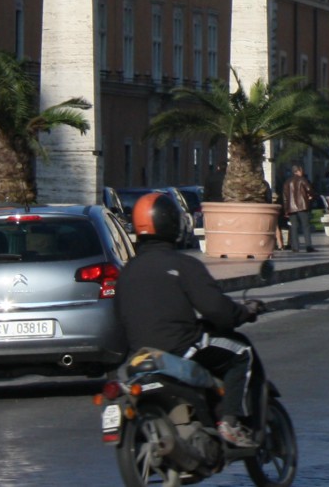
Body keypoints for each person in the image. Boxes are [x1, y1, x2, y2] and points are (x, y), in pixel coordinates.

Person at [116, 192, 265, 449]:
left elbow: (116, 320)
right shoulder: (184, 265)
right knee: (242, 352)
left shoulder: (126, 272)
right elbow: (216, 310)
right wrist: (242, 312)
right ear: (172, 224)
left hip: (138, 355)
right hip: (182, 348)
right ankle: (230, 420)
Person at [281, 165, 314, 254]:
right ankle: (308, 246)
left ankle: (295, 247)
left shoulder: (287, 182)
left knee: (294, 227)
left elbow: (285, 198)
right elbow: (309, 189)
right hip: (302, 206)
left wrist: (286, 209)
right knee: (306, 226)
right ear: (299, 171)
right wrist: (310, 196)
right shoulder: (302, 179)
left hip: (291, 208)